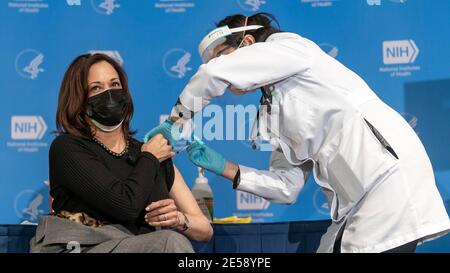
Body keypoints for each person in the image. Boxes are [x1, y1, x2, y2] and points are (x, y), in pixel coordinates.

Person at [144, 13, 450, 253]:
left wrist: (177, 120)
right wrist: (224, 167)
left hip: (385, 176)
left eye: (223, 56)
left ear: (248, 44)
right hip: (356, 199)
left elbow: (211, 75)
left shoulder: (289, 47)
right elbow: (286, 187)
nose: (221, 68)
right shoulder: (272, 106)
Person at [30, 53, 212, 253]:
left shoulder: (152, 153)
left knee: (171, 239)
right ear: (79, 100)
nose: (109, 94)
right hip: (82, 247)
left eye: (115, 85)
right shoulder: (67, 148)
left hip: (142, 247)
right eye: (96, 88)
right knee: (169, 243)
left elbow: (204, 229)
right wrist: (149, 157)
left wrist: (178, 219)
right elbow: (124, 205)